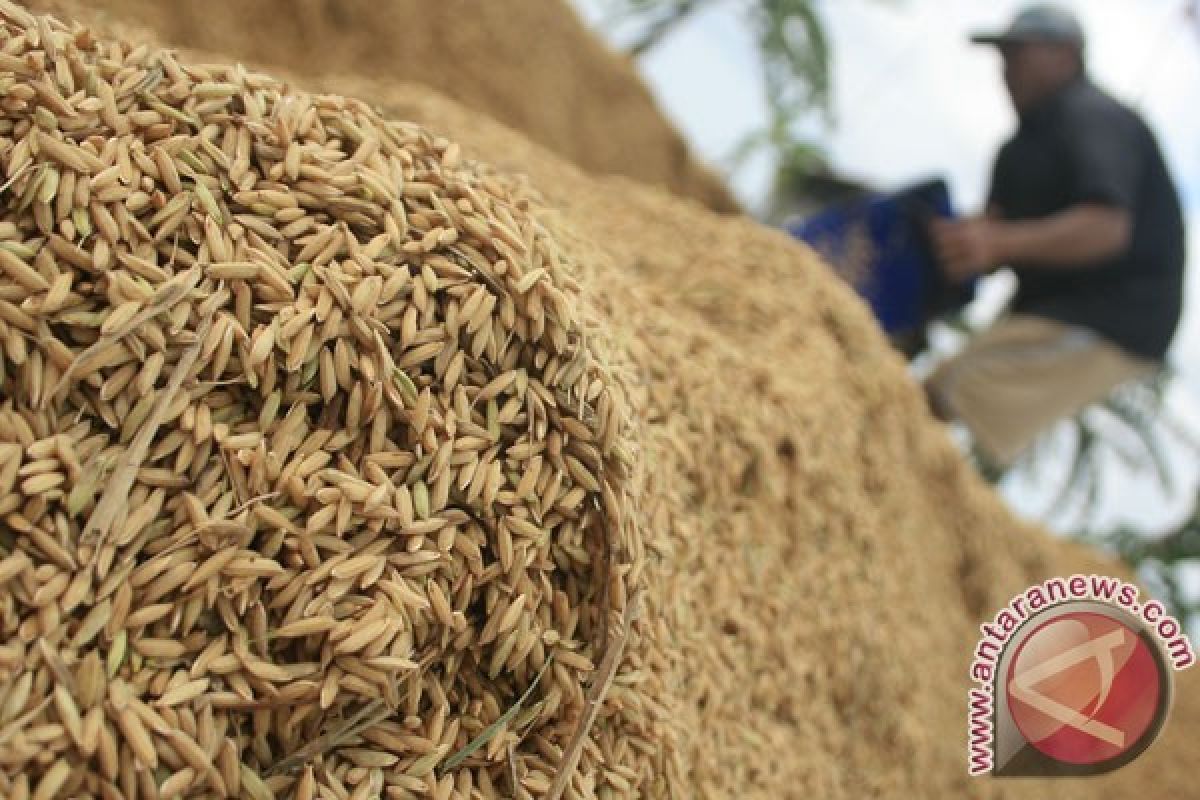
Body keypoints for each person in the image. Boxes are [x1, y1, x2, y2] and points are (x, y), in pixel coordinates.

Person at [926, 3, 1187, 467]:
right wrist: (960, 244)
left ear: (1066, 53)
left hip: (1113, 314)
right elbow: (993, 235)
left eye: (1017, 53)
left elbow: (1107, 228)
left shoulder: (1094, 117)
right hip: (1047, 306)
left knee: (963, 390)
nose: (1006, 69)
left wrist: (997, 243)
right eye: (1003, 57)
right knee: (935, 390)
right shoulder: (1015, 151)